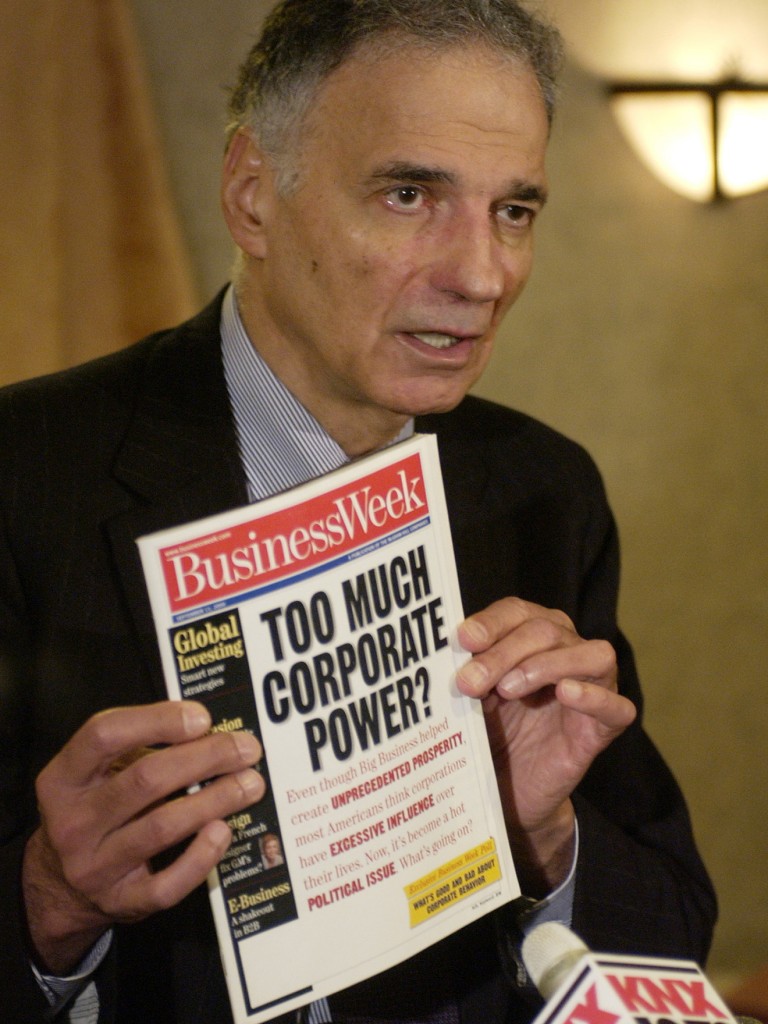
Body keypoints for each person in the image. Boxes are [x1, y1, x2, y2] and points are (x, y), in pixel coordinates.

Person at [0, 0, 717, 1022]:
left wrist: (546, 833)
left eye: (514, 211)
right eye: (408, 193)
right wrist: (50, 898)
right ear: (253, 197)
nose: (480, 275)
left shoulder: (542, 489)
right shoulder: (28, 472)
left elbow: (671, 940)